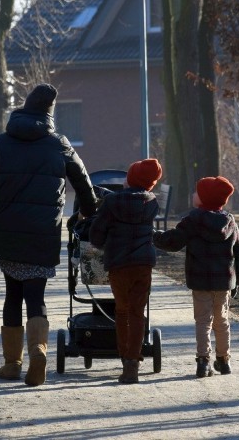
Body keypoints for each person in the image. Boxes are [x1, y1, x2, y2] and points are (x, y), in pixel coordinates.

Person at [0, 83, 98, 387]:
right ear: (50, 113)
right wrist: (88, 213)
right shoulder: (58, 143)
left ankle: (12, 364)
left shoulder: (1, 143)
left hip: (8, 234)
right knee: (36, 297)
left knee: (11, 295)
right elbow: (83, 183)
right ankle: (38, 351)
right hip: (43, 233)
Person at [153, 176, 239, 378]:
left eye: (198, 192)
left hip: (200, 280)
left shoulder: (192, 221)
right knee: (221, 320)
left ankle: (203, 362)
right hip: (223, 281)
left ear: (204, 198)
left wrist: (154, 236)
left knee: (203, 321)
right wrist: (238, 280)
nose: (193, 194)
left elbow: (173, 241)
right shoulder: (229, 222)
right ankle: (224, 360)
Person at [88, 158, 162, 384]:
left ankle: (125, 359)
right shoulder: (151, 203)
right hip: (143, 265)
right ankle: (133, 361)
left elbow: (97, 233)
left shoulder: (112, 203)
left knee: (122, 311)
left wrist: (100, 242)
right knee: (137, 312)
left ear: (129, 179)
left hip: (119, 264)